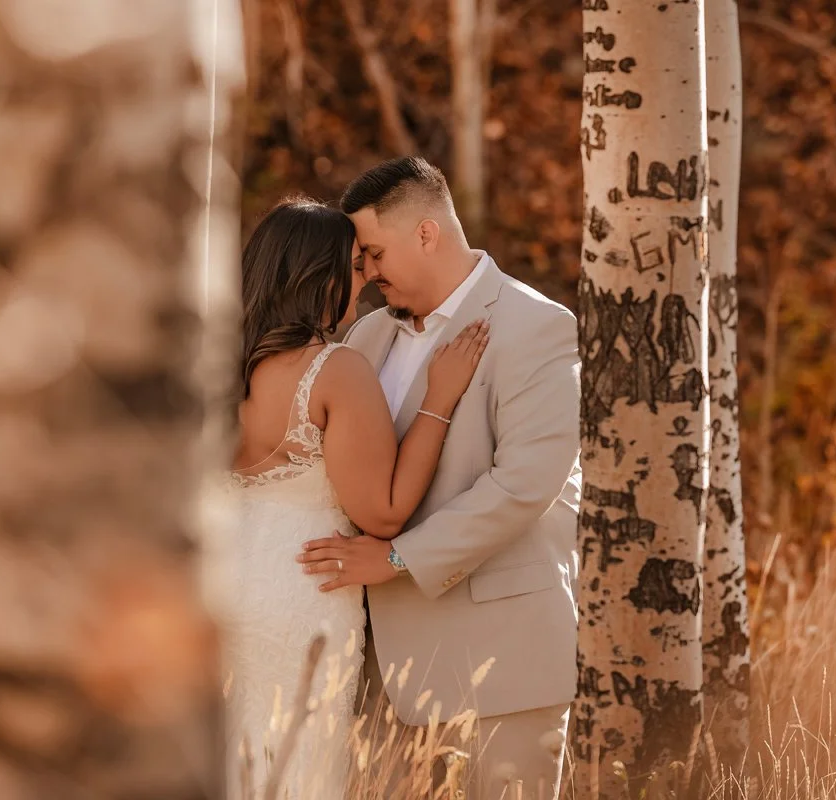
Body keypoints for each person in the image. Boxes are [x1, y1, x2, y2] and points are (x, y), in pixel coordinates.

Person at [296, 157, 582, 797]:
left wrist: (396, 557)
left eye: (373, 252)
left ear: (426, 233)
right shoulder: (369, 336)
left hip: (502, 667)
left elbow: (525, 485)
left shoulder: (537, 325)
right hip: (377, 677)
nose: (366, 276)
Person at [222, 197, 490, 798]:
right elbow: (384, 512)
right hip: (301, 591)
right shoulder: (334, 370)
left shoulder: (219, 362)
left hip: (225, 585)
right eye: (354, 264)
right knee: (297, 766)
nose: (367, 278)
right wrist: (438, 401)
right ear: (315, 274)